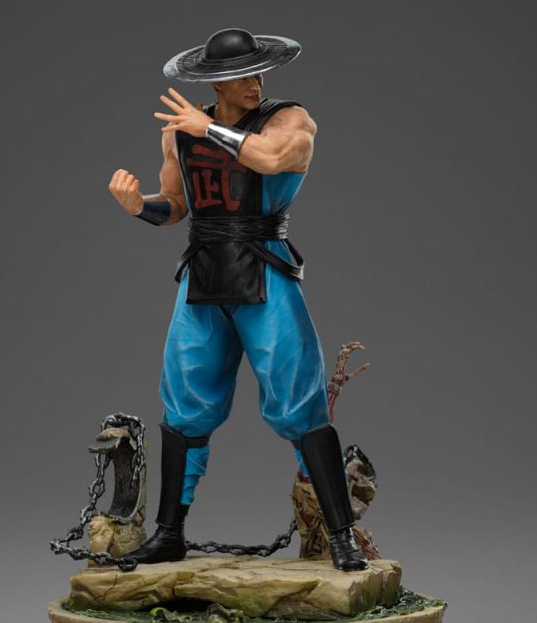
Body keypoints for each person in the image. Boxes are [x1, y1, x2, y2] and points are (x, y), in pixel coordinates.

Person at [108, 28, 366, 571]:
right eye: (242, 75)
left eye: (258, 72)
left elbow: (271, 159)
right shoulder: (180, 133)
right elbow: (176, 205)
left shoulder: (289, 120)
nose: (255, 83)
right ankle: (169, 533)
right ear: (216, 82)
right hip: (203, 273)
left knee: (299, 399)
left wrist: (207, 128)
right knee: (185, 399)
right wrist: (138, 207)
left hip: (265, 267)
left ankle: (341, 535)